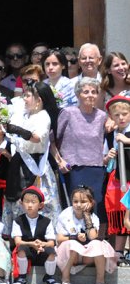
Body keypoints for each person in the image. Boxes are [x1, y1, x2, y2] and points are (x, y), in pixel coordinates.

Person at [3, 82, 61, 228]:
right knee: (18, 199)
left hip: (35, 164)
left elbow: (37, 137)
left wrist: (17, 130)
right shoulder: (24, 114)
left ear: (39, 99)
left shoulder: (43, 116)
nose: (24, 99)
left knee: (38, 200)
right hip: (20, 162)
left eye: (28, 96)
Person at [55, 77, 106, 210]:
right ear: (78, 95)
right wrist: (59, 161)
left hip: (97, 168)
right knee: (77, 208)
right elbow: (52, 139)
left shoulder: (102, 116)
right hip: (74, 168)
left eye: (94, 92)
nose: (90, 95)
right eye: (86, 92)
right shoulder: (68, 113)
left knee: (96, 208)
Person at [55, 186, 118, 284]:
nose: (79, 205)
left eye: (83, 201)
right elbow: (59, 238)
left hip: (88, 256)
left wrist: (87, 215)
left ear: (91, 203)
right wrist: (74, 237)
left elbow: (93, 236)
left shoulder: (94, 217)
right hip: (70, 255)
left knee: (98, 244)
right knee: (73, 244)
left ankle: (100, 281)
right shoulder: (65, 214)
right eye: (75, 201)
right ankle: (65, 279)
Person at [10, 186, 62, 284]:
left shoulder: (47, 221)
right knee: (21, 248)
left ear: (40, 205)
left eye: (33, 202)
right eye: (26, 201)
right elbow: (17, 241)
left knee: (51, 251)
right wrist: (31, 244)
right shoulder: (18, 221)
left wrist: (43, 244)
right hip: (27, 252)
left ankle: (49, 277)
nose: (29, 205)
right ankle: (22, 277)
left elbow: (51, 242)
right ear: (21, 203)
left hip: (41, 251)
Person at [102, 94, 130, 265]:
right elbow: (105, 160)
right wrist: (109, 157)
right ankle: (119, 250)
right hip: (119, 176)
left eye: (124, 114)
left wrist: (127, 140)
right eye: (117, 115)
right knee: (120, 213)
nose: (121, 118)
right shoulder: (112, 134)